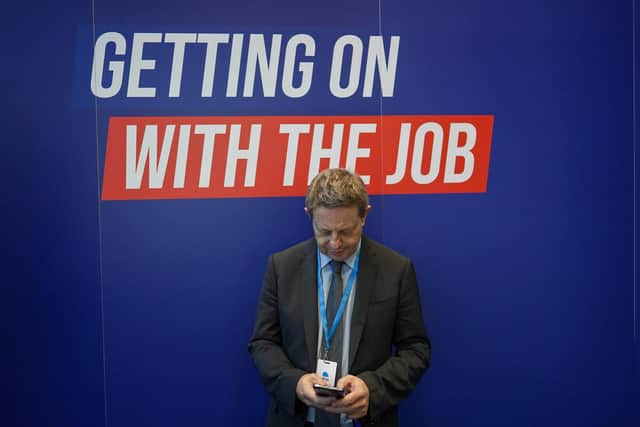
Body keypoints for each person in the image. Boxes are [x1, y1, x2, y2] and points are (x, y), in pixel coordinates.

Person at [248, 168, 430, 427]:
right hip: (295, 419)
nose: (335, 243)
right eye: (324, 231)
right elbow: (263, 343)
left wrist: (372, 389)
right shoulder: (282, 267)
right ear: (308, 216)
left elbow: (416, 349)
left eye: (346, 231)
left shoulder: (396, 270)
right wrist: (295, 383)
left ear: (364, 215)